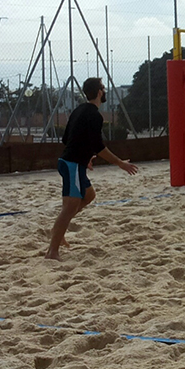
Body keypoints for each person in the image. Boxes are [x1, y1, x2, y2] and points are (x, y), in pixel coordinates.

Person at [45, 77, 138, 259]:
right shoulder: (95, 115)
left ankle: (59, 229)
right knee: (69, 208)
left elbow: (67, 139)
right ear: (99, 92)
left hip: (70, 162)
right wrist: (120, 163)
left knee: (89, 196)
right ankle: (52, 251)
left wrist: (86, 157)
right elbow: (98, 146)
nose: (104, 91)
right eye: (103, 88)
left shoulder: (79, 110)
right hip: (72, 165)